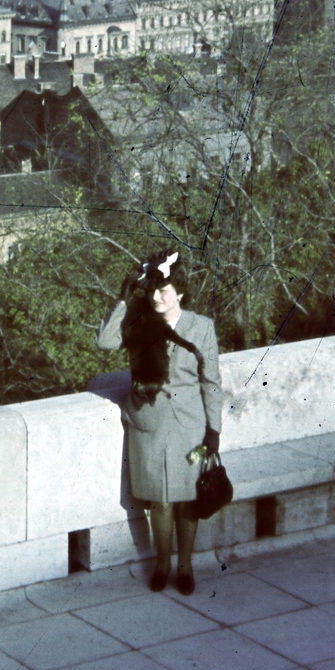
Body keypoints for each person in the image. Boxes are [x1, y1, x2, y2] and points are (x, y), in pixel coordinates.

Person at [96, 250, 224, 595]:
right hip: (148, 422)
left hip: (188, 424)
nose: (157, 296)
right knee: (160, 500)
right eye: (152, 289)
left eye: (165, 290)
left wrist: (214, 430)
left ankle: (185, 566)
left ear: (180, 292)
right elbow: (105, 342)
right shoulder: (138, 320)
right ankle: (162, 563)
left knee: (185, 498)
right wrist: (124, 299)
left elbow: (210, 382)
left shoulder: (202, 327)